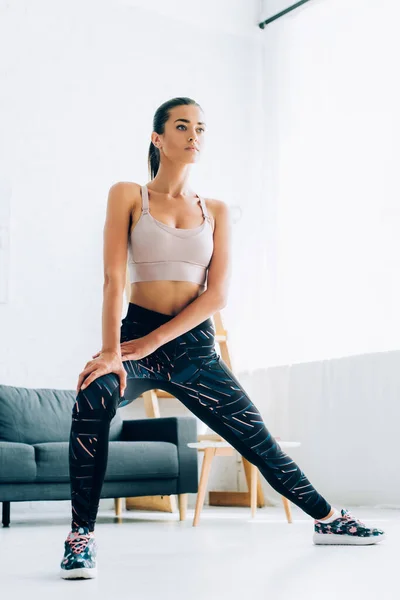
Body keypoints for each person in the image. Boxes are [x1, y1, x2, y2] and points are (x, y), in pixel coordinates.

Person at [60, 97, 385, 580]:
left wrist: (152, 345)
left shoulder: (214, 210)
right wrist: (113, 353)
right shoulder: (128, 194)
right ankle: (80, 537)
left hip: (192, 349)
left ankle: (328, 518)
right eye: (183, 126)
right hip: (133, 340)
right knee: (93, 397)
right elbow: (113, 279)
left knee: (259, 440)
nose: (195, 136)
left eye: (201, 128)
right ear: (158, 138)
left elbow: (217, 296)